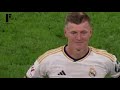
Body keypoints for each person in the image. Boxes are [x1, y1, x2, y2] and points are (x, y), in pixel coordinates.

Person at [25, 12, 120, 78]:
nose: (79, 38)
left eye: (83, 32)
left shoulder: (107, 60)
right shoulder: (47, 60)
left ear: (90, 32)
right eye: (74, 32)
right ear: (65, 33)